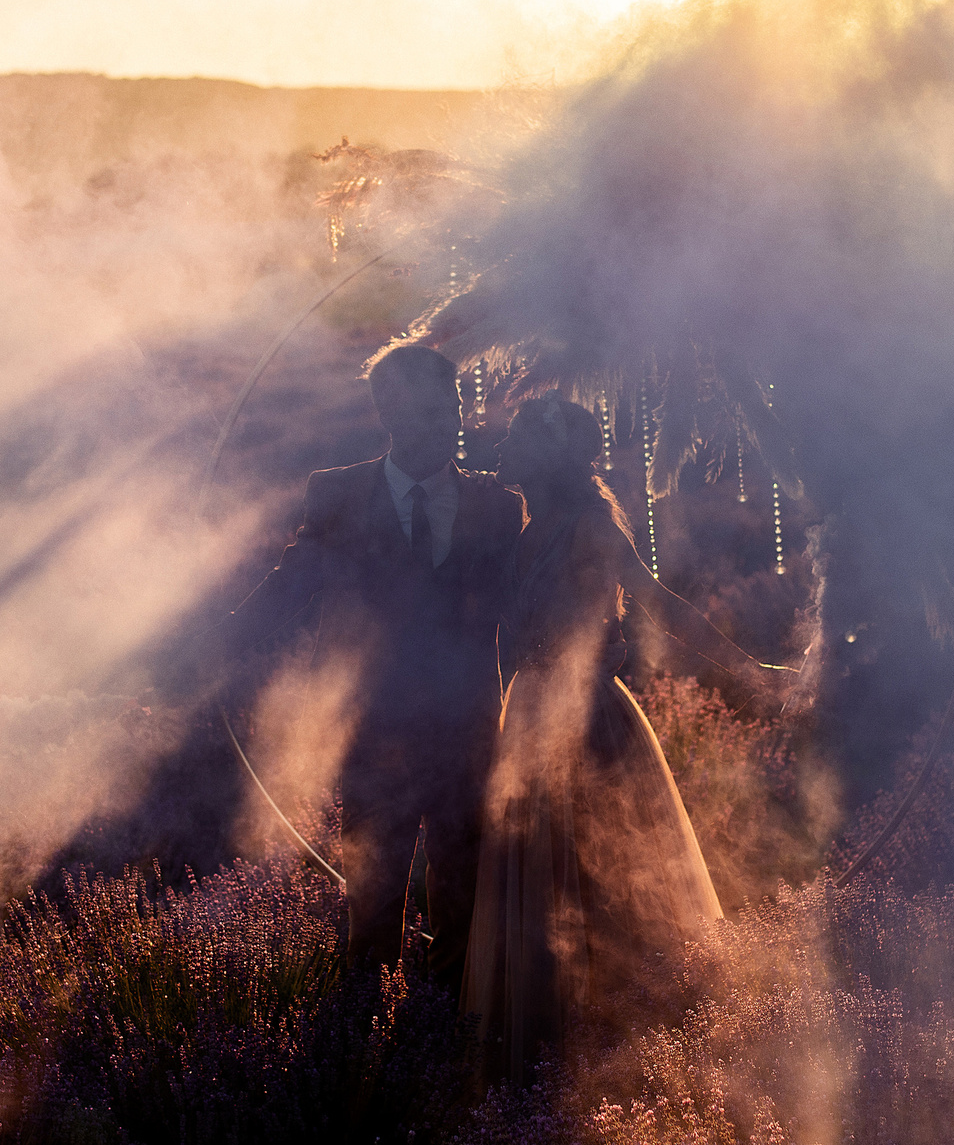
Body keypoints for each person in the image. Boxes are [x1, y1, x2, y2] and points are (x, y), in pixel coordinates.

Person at [466, 395, 787, 1081]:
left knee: (601, 882)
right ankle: (552, 1049)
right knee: (543, 881)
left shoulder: (588, 527)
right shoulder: (531, 530)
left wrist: (746, 667)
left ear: (548, 454)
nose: (499, 447)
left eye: (517, 437)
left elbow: (658, 604)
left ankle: (627, 1043)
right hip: (529, 721)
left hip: (585, 723)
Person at [228, 344, 524, 986]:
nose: (450, 419)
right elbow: (293, 585)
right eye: (431, 405)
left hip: (467, 731)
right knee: (373, 899)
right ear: (388, 409)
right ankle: (366, 1047)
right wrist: (220, 643)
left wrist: (591, 638)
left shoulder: (498, 507)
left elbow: (524, 606)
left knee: (465, 897)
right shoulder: (334, 493)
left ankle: (448, 1046)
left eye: (452, 404)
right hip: (372, 729)